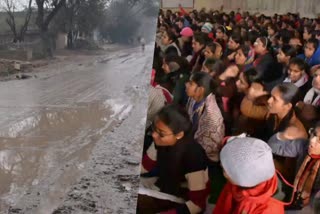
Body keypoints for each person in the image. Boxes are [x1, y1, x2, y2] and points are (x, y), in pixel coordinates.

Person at [138, 105, 209, 214]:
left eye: (161, 133)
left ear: (179, 135)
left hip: (182, 198)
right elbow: (145, 166)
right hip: (165, 185)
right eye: (154, 129)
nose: (154, 135)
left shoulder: (194, 156)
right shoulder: (159, 140)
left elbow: (197, 204)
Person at [213, 136, 289, 214]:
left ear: (242, 178)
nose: (222, 166)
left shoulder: (269, 210)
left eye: (226, 169)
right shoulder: (250, 177)